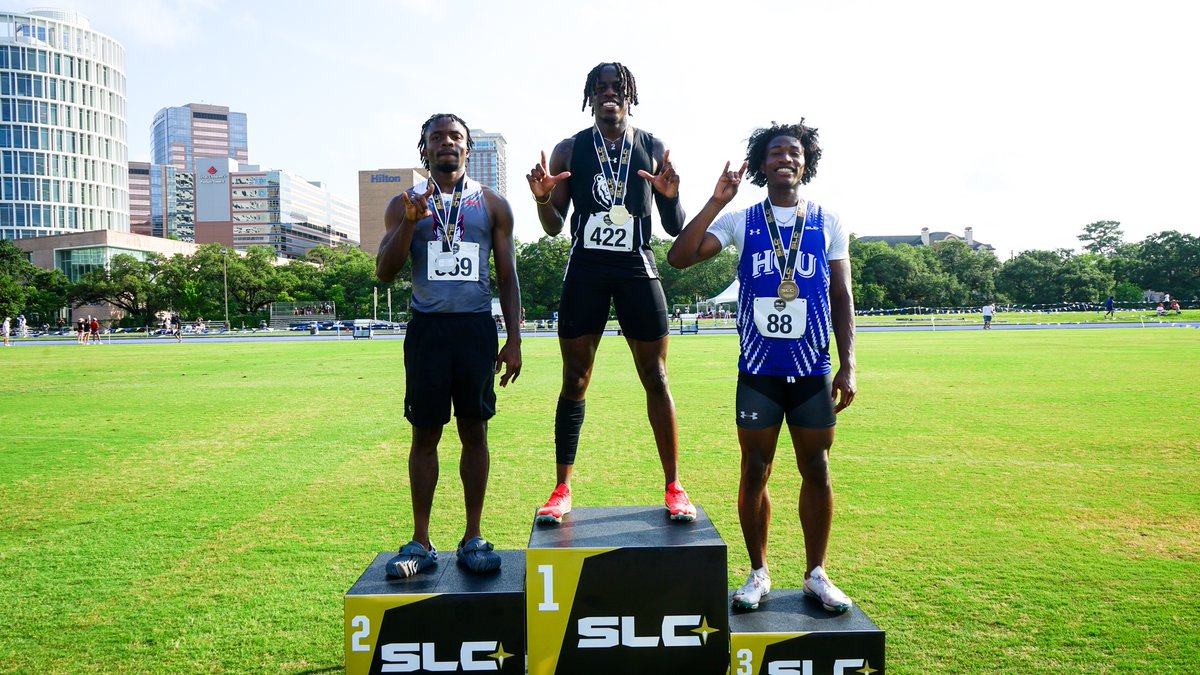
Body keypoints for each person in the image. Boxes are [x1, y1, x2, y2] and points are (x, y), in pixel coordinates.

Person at [667, 121, 857, 613]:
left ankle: (816, 573)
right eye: (775, 152)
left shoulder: (828, 221)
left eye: (794, 152)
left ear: (805, 163)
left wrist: (849, 363)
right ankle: (758, 572)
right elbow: (679, 257)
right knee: (755, 469)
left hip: (812, 369)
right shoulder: (742, 220)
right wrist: (716, 201)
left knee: (817, 468)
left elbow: (841, 294)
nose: (785, 159)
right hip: (758, 371)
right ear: (761, 164)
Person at [525, 61, 696, 523]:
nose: (608, 93)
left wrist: (671, 196)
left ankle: (674, 487)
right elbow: (553, 226)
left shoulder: (652, 146)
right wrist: (542, 197)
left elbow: (675, 226)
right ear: (590, 95)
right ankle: (562, 488)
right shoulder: (569, 149)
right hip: (586, 269)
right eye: (600, 87)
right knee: (575, 378)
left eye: (617, 87)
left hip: (637, 267)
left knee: (656, 376)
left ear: (629, 95)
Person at [376, 113, 522, 578]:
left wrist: (514, 338)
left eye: (455, 136)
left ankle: (472, 536)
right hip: (428, 330)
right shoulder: (403, 203)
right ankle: (420, 541)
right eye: (436, 137)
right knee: (425, 434)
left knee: (475, 432)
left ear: (467, 148)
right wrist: (409, 224)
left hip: (475, 329)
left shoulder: (493, 204)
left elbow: (508, 276)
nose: (446, 143)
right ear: (424, 149)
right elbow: (384, 271)